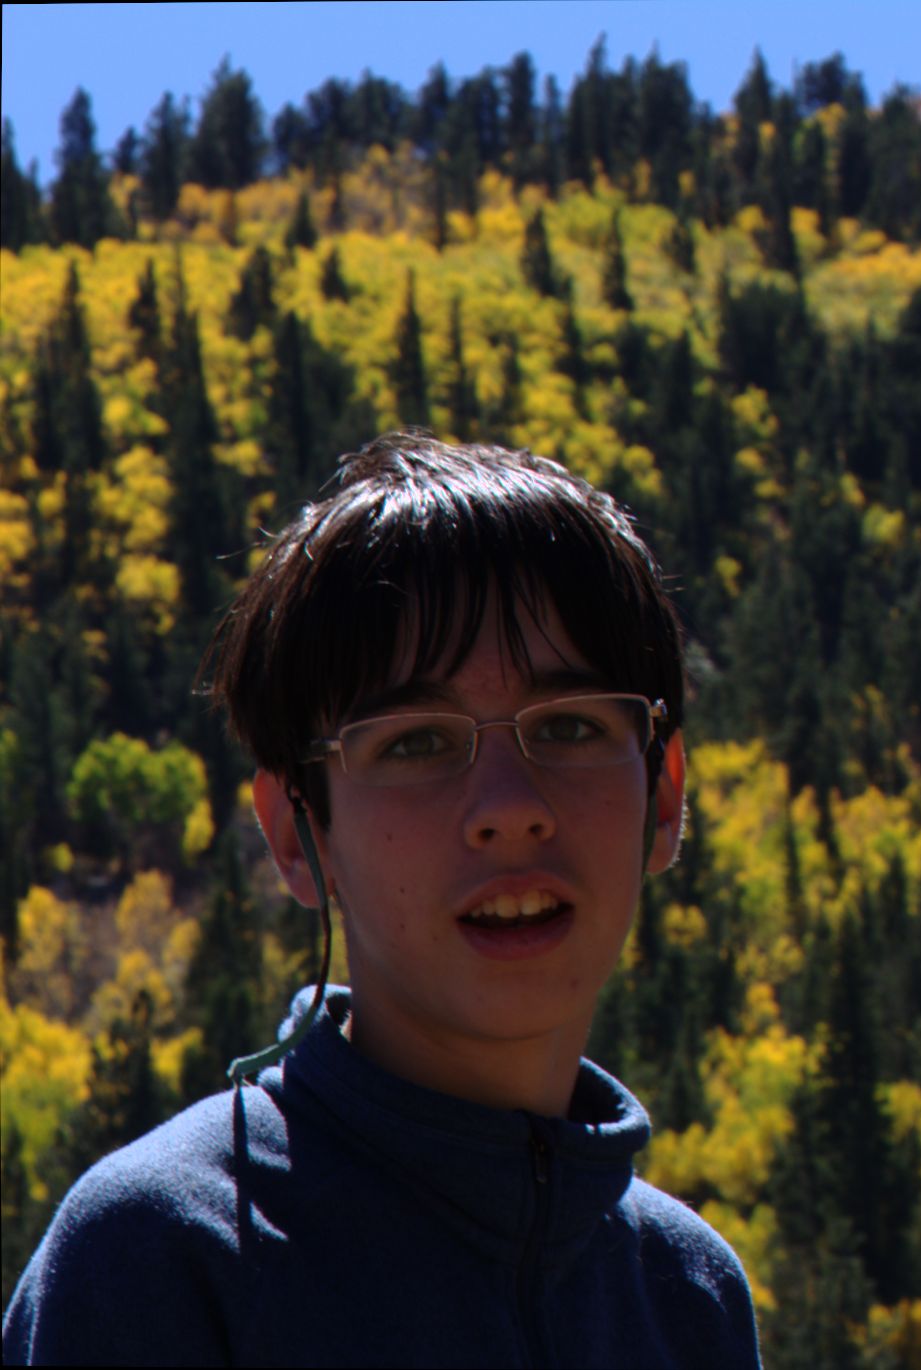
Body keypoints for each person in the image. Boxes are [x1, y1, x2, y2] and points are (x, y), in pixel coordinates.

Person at [2, 432, 761, 1367]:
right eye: (415, 744)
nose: (510, 810)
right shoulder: (170, 1260)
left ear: (666, 792)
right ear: (296, 830)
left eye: (569, 726)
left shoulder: (686, 1299)